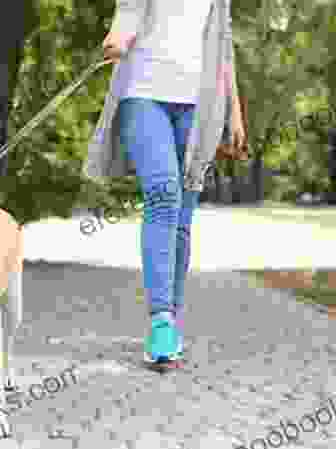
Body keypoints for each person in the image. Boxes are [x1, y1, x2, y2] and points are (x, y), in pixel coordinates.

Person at [84, 0, 246, 370]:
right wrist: (118, 35)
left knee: (183, 217)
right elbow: (128, 10)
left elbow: (222, 45)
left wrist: (235, 111)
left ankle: (170, 315)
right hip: (143, 94)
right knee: (163, 195)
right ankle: (161, 321)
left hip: (200, 106)